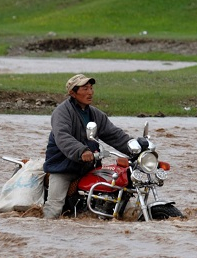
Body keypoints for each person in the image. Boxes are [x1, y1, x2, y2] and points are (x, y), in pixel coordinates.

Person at [43, 74, 132, 219]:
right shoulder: (61, 113)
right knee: (54, 207)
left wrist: (137, 147)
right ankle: (46, 232)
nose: (90, 92)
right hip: (64, 168)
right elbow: (63, 136)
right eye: (85, 88)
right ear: (73, 92)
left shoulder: (95, 114)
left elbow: (114, 135)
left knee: (118, 193)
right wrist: (81, 150)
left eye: (91, 88)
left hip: (88, 168)